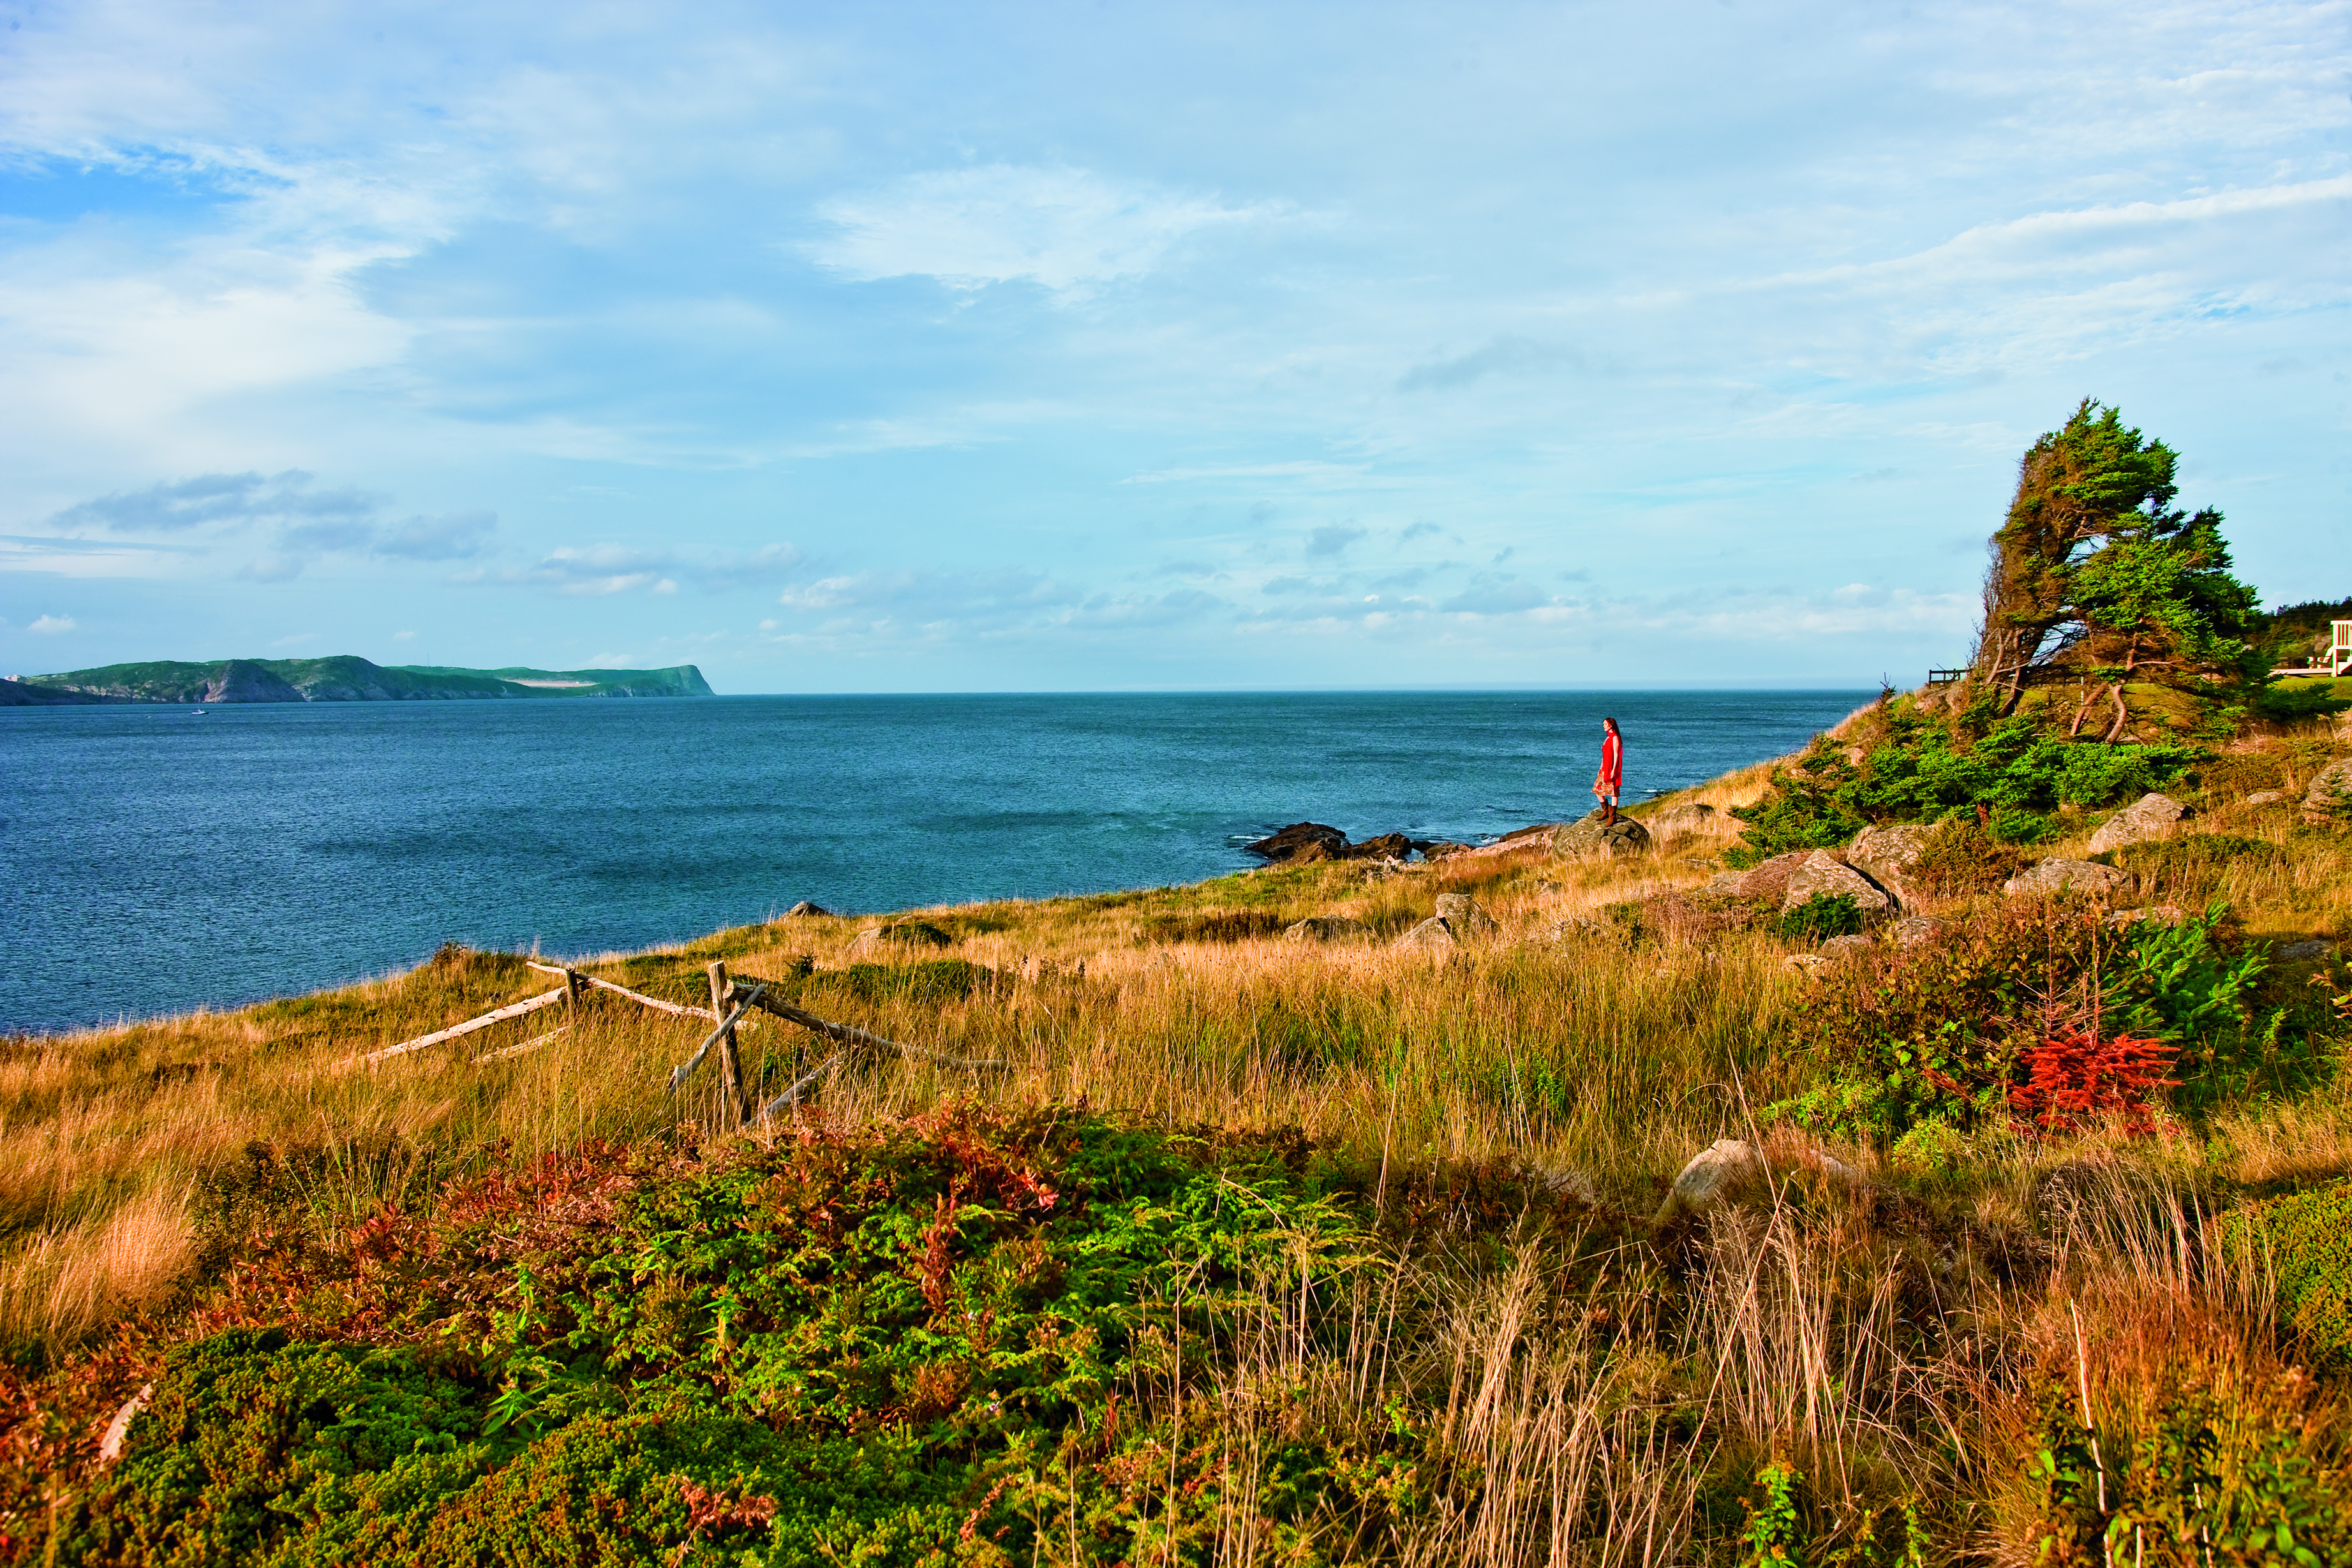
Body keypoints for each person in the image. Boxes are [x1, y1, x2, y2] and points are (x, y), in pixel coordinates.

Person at [1591, 717, 1623, 825]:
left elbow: (1617, 755)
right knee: (1597, 790)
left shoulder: (1615, 738)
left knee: (1614, 791)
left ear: (1611, 725)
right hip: (1604, 768)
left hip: (1612, 768)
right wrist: (1601, 768)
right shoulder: (1608, 738)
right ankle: (1606, 811)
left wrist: (1614, 769)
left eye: (1605, 724)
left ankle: (1612, 817)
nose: (1603, 726)